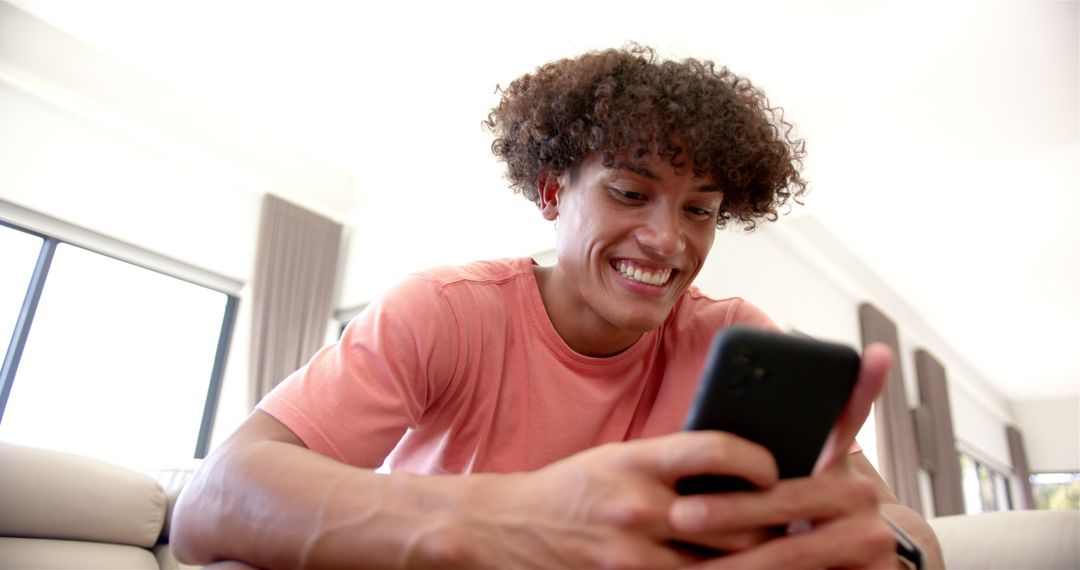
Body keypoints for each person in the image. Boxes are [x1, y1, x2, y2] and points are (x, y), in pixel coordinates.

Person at [172, 44, 944, 569]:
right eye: (631, 193)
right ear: (552, 192)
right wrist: (500, 520)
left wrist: (884, 552)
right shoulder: (447, 312)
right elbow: (212, 499)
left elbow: (909, 535)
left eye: (700, 211)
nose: (667, 240)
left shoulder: (731, 341)